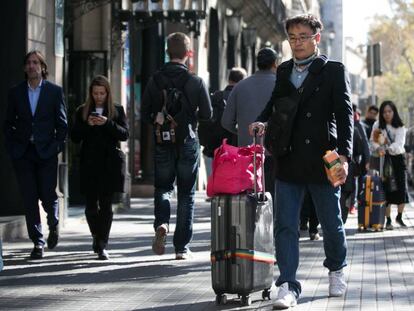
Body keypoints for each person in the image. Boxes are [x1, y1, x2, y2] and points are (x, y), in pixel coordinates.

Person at [249, 14, 353, 308]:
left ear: (316, 38)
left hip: (323, 159)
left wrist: (344, 156)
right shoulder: (283, 71)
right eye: (292, 38)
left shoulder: (332, 70)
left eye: (303, 37)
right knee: (285, 225)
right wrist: (262, 120)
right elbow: (275, 104)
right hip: (289, 157)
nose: (297, 43)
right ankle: (288, 286)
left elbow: (345, 115)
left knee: (332, 223)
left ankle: (336, 267)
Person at [141, 32, 212, 260]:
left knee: (163, 187)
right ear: (188, 53)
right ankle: (181, 247)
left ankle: (162, 223)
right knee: (186, 195)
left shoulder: (154, 80)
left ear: (167, 52)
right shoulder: (195, 81)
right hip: (188, 141)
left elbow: (144, 114)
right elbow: (208, 114)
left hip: (163, 140)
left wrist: (159, 117)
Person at [4, 50, 68, 259]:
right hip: (24, 153)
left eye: (35, 63)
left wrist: (56, 146)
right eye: (28, 63)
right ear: (25, 68)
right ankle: (37, 243)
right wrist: (13, 148)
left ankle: (54, 223)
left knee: (48, 196)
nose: (32, 66)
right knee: (29, 198)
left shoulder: (54, 92)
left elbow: (62, 124)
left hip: (46, 153)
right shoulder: (16, 93)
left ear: (42, 67)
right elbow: (8, 123)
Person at [71, 75, 129, 260]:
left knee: (106, 205)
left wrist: (107, 123)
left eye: (102, 93)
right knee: (90, 207)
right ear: (91, 93)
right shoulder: (82, 111)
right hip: (89, 163)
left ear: (107, 93)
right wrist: (87, 125)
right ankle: (96, 235)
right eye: (95, 93)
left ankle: (102, 243)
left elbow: (124, 135)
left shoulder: (117, 110)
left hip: (109, 164)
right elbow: (74, 137)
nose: (98, 97)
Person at [221, 47, 278, 192]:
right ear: (275, 63)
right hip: (275, 150)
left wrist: (243, 133)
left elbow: (226, 121)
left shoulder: (240, 86)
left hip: (247, 151)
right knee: (273, 196)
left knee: (250, 197)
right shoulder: (282, 85)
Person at [198, 67, 247, 179]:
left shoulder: (216, 97)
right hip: (236, 149)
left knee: (214, 182)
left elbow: (204, 118)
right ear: (243, 81)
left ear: (229, 80)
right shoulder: (244, 98)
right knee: (233, 184)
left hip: (213, 148)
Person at [370, 100, 409, 230]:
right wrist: (378, 148)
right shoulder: (378, 125)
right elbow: (373, 142)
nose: (387, 114)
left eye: (389, 111)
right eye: (384, 112)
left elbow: (399, 145)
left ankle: (399, 216)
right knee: (386, 189)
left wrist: (387, 148)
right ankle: (388, 220)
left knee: (402, 189)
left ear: (394, 112)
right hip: (385, 160)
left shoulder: (400, 126)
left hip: (398, 160)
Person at [341, 104, 370, 224]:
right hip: (333, 162)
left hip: (351, 163)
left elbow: (364, 145)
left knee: (348, 190)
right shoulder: (335, 121)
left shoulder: (358, 125)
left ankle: (343, 217)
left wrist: (367, 161)